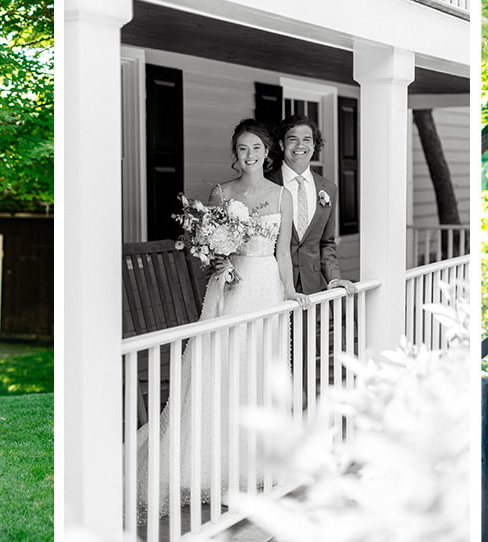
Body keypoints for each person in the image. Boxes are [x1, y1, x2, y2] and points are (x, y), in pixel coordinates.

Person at [136, 119, 309, 524]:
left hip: (265, 288)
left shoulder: (282, 195)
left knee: (257, 373)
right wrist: (218, 258)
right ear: (236, 153)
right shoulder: (220, 193)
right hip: (229, 288)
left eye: (256, 149)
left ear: (269, 153)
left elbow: (283, 252)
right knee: (218, 368)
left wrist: (289, 292)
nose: (249, 156)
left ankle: (255, 469)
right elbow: (206, 244)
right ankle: (199, 471)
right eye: (242, 149)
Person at [266, 115, 356, 296]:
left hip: (313, 287)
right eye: (293, 140)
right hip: (272, 284)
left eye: (307, 140)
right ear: (282, 145)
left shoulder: (328, 188)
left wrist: (334, 278)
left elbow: (326, 243)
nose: (300, 146)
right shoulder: (266, 183)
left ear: (314, 146)